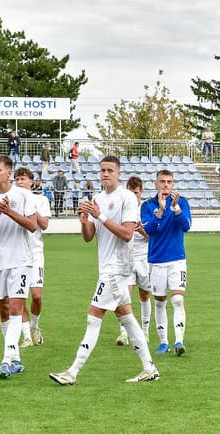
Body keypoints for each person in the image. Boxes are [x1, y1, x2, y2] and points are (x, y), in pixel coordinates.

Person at [49, 156, 159, 386]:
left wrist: (99, 214)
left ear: (119, 173)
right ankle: (149, 368)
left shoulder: (127, 198)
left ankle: (72, 371)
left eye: (110, 170)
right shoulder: (98, 198)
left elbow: (128, 234)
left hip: (117, 267)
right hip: (106, 266)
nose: (105, 174)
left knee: (94, 315)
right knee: (126, 317)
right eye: (102, 170)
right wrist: (83, 218)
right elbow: (89, 237)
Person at [0, 155, 38, 379]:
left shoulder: (23, 195)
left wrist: (9, 211)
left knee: (15, 307)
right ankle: (16, 360)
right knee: (3, 308)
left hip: (20, 259)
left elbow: (32, 226)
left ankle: (6, 358)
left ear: (9, 172)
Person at [141, 169, 192, 356]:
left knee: (178, 299)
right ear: (155, 184)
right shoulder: (147, 206)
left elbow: (186, 226)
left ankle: (179, 341)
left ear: (173, 184)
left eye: (169, 182)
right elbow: (150, 230)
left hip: (177, 259)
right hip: (156, 260)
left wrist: (176, 209)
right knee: (160, 302)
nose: (166, 185)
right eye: (162, 181)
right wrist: (161, 210)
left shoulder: (182, 202)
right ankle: (164, 342)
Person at [13, 168, 51, 348]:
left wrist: (31, 209)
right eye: (17, 179)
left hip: (35, 254)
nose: (20, 182)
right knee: (19, 296)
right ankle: (26, 335)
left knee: (36, 297)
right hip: (17, 254)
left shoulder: (40, 200)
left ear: (31, 181)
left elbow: (43, 225)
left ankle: (35, 326)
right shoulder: (12, 200)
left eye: (23, 179)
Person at [116, 175, 153, 346]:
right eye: (130, 192)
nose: (133, 195)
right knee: (124, 296)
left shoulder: (146, 209)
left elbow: (152, 237)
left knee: (145, 294)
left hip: (144, 257)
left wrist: (141, 230)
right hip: (126, 257)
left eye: (136, 193)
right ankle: (124, 333)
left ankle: (145, 331)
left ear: (141, 192)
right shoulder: (122, 208)